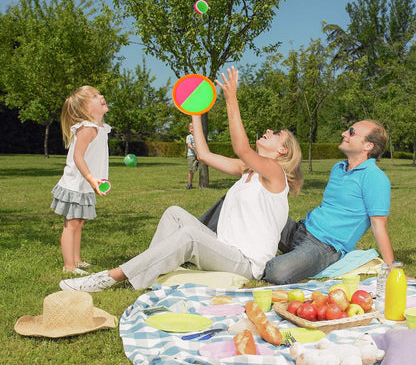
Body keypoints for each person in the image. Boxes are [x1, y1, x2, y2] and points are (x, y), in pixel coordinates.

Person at [59, 67, 303, 292]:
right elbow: (204, 155)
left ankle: (107, 278)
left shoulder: (274, 173)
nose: (269, 131)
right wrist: (195, 111)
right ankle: (148, 269)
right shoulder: (247, 171)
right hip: (224, 247)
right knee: (174, 213)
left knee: (189, 235)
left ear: (283, 151)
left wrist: (231, 99)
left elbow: (241, 148)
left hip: (245, 263)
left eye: (277, 134)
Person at [263, 119, 395, 285]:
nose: (344, 134)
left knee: (276, 271)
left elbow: (379, 225)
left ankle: (275, 260)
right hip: (301, 229)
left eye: (351, 132)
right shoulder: (338, 168)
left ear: (368, 146)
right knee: (253, 209)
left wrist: (392, 269)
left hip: (323, 247)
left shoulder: (374, 177)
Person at [51, 86, 111, 275]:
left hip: (86, 184)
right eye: (94, 96)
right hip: (76, 184)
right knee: (71, 225)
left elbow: (96, 158)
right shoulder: (87, 129)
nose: (101, 96)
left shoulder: (100, 128)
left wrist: (97, 180)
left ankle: (77, 260)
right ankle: (69, 266)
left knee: (79, 223)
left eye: (99, 93)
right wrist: (91, 178)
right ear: (86, 110)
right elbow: (78, 157)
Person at [185, 123, 198, 189]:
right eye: (191, 128)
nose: (193, 129)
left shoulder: (198, 136)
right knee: (191, 170)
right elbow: (189, 145)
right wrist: (195, 149)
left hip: (198, 155)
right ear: (189, 130)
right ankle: (189, 183)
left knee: (199, 168)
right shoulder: (189, 137)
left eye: (194, 128)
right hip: (191, 155)